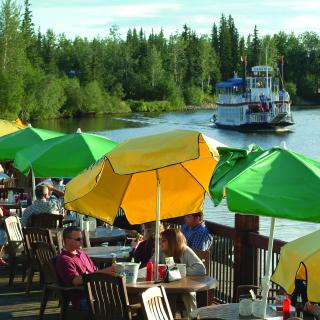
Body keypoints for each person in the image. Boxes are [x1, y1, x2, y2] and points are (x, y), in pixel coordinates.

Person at [55, 226, 116, 309]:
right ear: (67, 240)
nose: (82, 241)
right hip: (84, 298)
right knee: (118, 305)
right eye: (78, 239)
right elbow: (75, 281)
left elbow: (94, 270)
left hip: (96, 293)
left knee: (124, 298)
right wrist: (103, 272)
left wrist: (108, 271)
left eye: (82, 239)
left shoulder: (82, 254)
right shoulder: (64, 259)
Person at [156, 228, 206, 315]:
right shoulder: (161, 251)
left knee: (189, 295)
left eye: (163, 240)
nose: (160, 243)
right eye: (160, 240)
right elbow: (151, 265)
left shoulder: (185, 250)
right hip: (165, 286)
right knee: (160, 294)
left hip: (184, 286)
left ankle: (192, 317)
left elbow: (201, 269)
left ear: (172, 242)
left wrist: (178, 271)